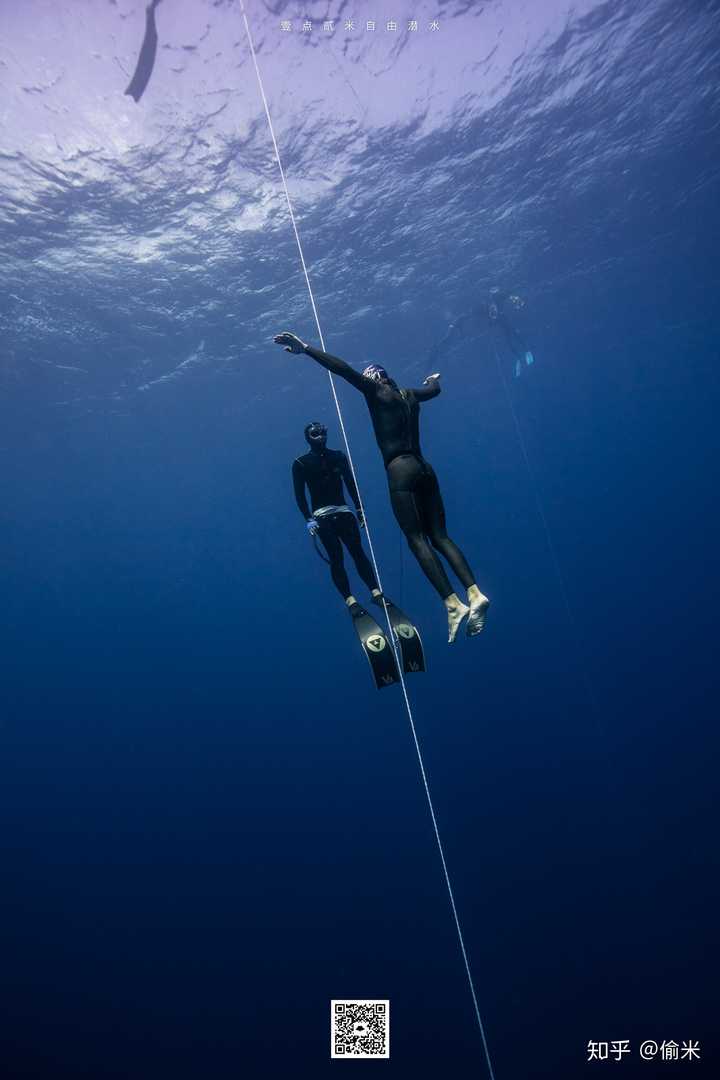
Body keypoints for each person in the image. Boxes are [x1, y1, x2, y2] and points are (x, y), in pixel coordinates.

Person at [275, 333, 489, 643]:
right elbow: (434, 390)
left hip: (400, 470)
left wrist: (306, 349)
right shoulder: (409, 395)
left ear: (373, 378)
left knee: (416, 539)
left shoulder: (376, 391)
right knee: (441, 536)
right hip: (425, 469)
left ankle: (452, 604)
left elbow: (342, 370)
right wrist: (432, 380)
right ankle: (475, 592)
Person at [293, 421, 382, 617]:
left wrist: (359, 508)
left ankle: (375, 592)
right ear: (308, 438)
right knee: (336, 557)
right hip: (322, 517)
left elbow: (351, 483)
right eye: (315, 433)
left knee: (358, 552)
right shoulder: (300, 463)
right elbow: (299, 495)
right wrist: (308, 519)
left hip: (344, 512)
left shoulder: (339, 456)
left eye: (323, 432)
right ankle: (350, 600)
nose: (320, 436)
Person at [429, 287, 535, 377]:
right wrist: (455, 325)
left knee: (512, 333)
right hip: (496, 320)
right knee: (508, 339)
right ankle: (518, 357)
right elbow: (465, 316)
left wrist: (516, 298)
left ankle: (526, 351)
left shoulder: (498, 299)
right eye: (492, 313)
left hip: (501, 318)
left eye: (494, 312)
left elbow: (509, 293)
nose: (493, 314)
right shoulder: (481, 309)